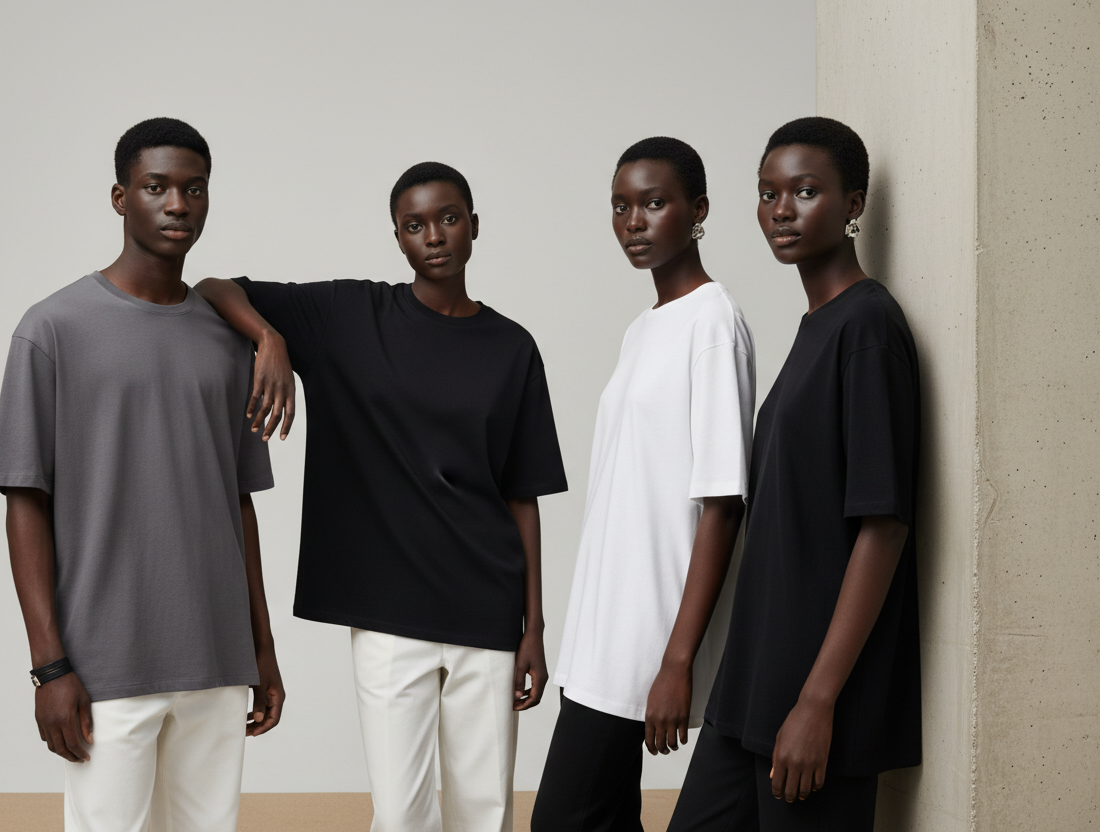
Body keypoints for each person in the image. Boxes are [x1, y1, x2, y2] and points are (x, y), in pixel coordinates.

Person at [195, 161, 568, 832]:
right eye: (415, 224)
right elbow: (213, 287)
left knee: (485, 814)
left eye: (449, 218)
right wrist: (270, 338)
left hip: (488, 610)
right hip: (390, 619)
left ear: (474, 227)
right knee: (400, 816)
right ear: (397, 238)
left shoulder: (512, 348)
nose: (434, 235)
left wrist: (533, 629)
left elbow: (523, 496)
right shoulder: (350, 316)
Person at [0, 117, 284, 832]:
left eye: (193, 188)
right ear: (121, 198)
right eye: (157, 187)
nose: (177, 204)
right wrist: (50, 667)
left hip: (215, 660)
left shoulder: (225, 340)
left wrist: (262, 650)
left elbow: (236, 503)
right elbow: (25, 500)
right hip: (105, 667)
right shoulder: (53, 329)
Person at [668, 117, 921, 832]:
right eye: (768, 192)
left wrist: (817, 703)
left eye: (806, 191)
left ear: (853, 204)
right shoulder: (816, 329)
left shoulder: (868, 329)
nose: (781, 209)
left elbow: (883, 526)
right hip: (751, 688)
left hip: (814, 704)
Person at [530, 137, 756, 832]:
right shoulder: (642, 329)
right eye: (621, 206)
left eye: (654, 203)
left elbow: (722, 503)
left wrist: (677, 661)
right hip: (602, 634)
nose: (634, 221)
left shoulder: (713, 323)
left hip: (649, 637)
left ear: (698, 211)